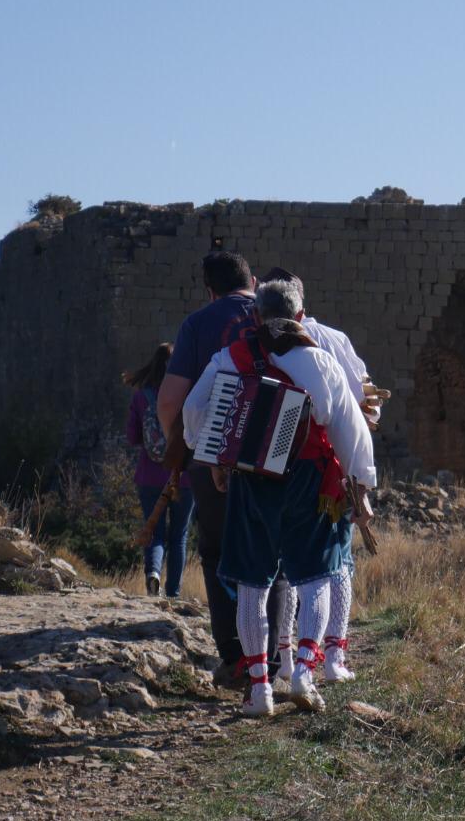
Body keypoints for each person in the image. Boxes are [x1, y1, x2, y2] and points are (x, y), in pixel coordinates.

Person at [181, 279, 377, 718]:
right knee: (314, 577)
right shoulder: (321, 360)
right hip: (310, 478)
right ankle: (306, 673)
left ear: (255, 317)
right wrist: (361, 484)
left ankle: (259, 688)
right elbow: (349, 427)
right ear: (301, 317)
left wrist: (211, 452)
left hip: (254, 479)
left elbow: (193, 408)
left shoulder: (229, 358)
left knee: (253, 582)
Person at [263, 267, 373, 683]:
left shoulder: (244, 347)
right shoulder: (327, 342)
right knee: (335, 565)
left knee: (282, 571)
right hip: (324, 471)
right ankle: (330, 659)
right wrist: (363, 481)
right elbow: (356, 402)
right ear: (302, 307)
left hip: (263, 474)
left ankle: (282, 663)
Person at [156, 251, 259, 687]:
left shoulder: (197, 325)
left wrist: (181, 447)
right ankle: (278, 656)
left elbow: (168, 401)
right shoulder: (277, 316)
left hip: (213, 455)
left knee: (219, 554)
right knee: (272, 553)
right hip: (278, 454)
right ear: (252, 282)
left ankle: (236, 657)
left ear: (210, 289)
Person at [124, 342, 192, 597]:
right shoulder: (187, 395)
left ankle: (153, 573)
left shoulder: (142, 396)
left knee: (154, 530)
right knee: (179, 535)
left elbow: (132, 437)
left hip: (149, 476)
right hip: (182, 476)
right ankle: (173, 592)